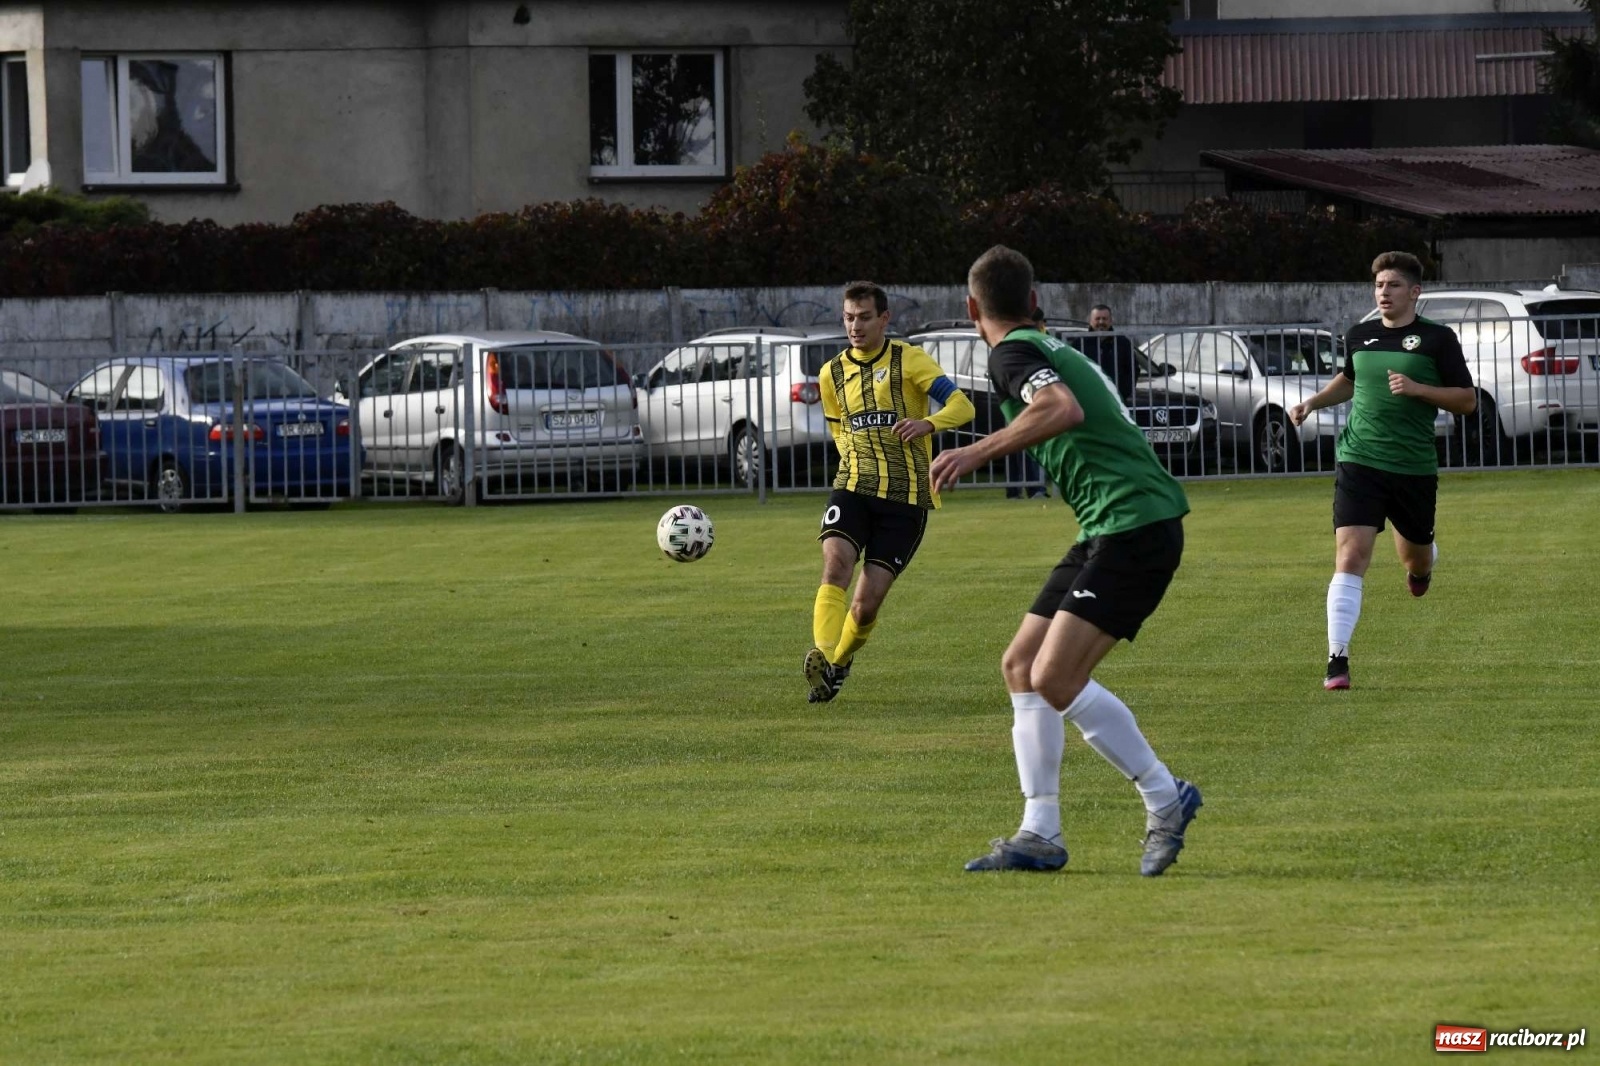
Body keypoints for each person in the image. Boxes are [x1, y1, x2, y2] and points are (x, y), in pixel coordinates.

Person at [929, 246, 1201, 877]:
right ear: (1033, 300)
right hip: (1112, 524)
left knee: (1055, 676)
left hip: (1135, 524)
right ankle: (1040, 831)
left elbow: (1060, 410)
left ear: (972, 309)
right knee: (1022, 665)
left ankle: (1166, 798)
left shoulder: (1011, 354)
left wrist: (975, 453)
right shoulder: (1051, 347)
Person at [1289, 250, 1476, 691]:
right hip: (1359, 459)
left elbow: (1466, 400)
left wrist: (1418, 389)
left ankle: (1423, 568)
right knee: (1350, 556)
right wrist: (1314, 401)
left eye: (1392, 285)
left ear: (1415, 292)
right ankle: (1337, 659)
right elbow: (1350, 381)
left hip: (1412, 467)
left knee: (1414, 554)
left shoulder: (1438, 339)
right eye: (1378, 285)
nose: (1383, 293)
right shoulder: (1360, 334)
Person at [805, 281, 975, 703]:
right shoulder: (832, 373)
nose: (855, 326)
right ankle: (824, 659)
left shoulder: (910, 361)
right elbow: (837, 426)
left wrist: (928, 423)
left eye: (864, 317)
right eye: (848, 317)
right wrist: (850, 458)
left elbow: (962, 406)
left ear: (884, 318)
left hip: (906, 497)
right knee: (836, 565)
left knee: (866, 605)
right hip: (854, 486)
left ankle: (838, 665)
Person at [1003, 308, 1052, 499]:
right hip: (1017, 398)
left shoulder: (1044, 338)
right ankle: (1015, 490)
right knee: (1015, 445)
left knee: (1032, 444)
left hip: (1033, 398)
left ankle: (1035, 488)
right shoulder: (1015, 339)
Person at [1074, 304, 1140, 401]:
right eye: (1097, 318)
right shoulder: (1079, 343)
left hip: (1116, 400)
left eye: (1104, 319)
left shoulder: (1122, 343)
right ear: (1090, 321)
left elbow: (1133, 369)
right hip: (1088, 399)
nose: (1101, 322)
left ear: (1110, 321)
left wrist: (1123, 392)